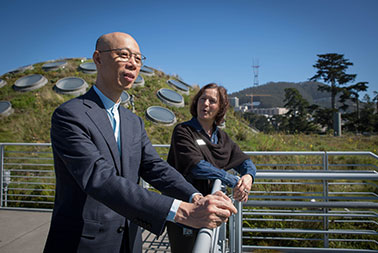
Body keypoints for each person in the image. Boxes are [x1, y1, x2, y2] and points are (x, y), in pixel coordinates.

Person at [44, 32, 237, 253]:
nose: (133, 64)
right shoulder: (70, 115)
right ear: (98, 59)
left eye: (138, 58)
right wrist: (182, 211)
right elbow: (99, 178)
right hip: (83, 242)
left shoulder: (133, 121)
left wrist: (196, 197)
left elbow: (155, 167)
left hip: (130, 238)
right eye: (124, 55)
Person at [166, 83, 257, 253]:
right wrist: (233, 180)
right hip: (185, 207)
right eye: (202, 99)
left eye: (212, 101)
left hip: (210, 209)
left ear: (220, 108)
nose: (205, 104)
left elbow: (244, 161)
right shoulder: (184, 131)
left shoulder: (221, 137)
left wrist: (248, 178)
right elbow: (196, 166)